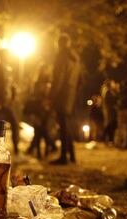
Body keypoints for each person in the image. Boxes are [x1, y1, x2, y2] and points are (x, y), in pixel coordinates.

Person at [49, 34, 81, 165]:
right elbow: (80, 79)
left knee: (63, 126)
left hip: (62, 95)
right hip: (71, 94)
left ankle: (63, 157)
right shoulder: (76, 58)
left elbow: (59, 78)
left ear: (59, 44)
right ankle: (72, 155)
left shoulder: (61, 57)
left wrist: (52, 96)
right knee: (67, 125)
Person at [24, 64, 56, 158]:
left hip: (43, 108)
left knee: (41, 130)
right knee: (40, 130)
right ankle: (42, 151)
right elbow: (37, 95)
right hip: (40, 108)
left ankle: (42, 151)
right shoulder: (41, 82)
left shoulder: (43, 82)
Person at [101, 80, 118, 144]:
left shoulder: (109, 91)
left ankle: (109, 138)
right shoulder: (107, 92)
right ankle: (105, 138)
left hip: (110, 110)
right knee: (109, 124)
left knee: (110, 124)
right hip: (109, 110)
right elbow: (109, 101)